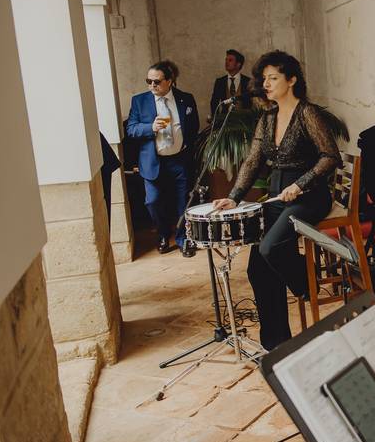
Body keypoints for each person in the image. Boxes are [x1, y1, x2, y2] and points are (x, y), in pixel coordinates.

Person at [211, 51, 344, 350]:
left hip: (309, 196)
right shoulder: (268, 118)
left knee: (271, 248)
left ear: (292, 79)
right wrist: (234, 196)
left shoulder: (307, 113)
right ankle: (277, 345)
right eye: (264, 79)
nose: (266, 84)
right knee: (257, 270)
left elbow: (330, 156)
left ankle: (308, 286)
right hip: (277, 195)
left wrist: (301, 183)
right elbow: (253, 160)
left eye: (273, 78)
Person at [125, 60, 199, 257]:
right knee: (153, 201)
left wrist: (186, 148)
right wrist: (150, 127)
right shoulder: (139, 101)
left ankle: (184, 239)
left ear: (169, 81)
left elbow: (193, 127)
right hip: (153, 161)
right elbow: (131, 129)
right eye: (148, 81)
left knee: (183, 202)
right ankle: (163, 234)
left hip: (179, 160)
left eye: (156, 82)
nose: (151, 86)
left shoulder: (186, 99)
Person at [209, 49, 252, 120]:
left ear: (238, 64)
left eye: (230, 60)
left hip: (244, 123)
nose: (226, 62)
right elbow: (214, 102)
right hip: (225, 122)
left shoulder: (248, 81)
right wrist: (215, 118)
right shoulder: (220, 81)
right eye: (226, 60)